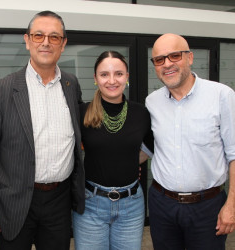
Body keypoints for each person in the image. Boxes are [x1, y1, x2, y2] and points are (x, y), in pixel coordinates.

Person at [0, 10, 85, 250]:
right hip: (14, 202)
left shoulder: (71, 84)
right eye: (38, 35)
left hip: (59, 200)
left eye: (54, 37)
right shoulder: (1, 90)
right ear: (27, 41)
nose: (46, 42)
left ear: (63, 44)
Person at [146, 33, 235, 250]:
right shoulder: (152, 102)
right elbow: (149, 147)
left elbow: (234, 154)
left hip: (208, 207)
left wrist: (231, 205)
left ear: (190, 57)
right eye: (159, 59)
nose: (167, 64)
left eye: (174, 56)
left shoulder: (222, 96)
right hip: (162, 204)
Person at [72, 51, 153, 250]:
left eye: (118, 74)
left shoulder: (140, 113)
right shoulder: (82, 112)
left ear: (127, 77)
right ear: (95, 79)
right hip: (91, 203)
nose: (112, 80)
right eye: (104, 74)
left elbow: (151, 147)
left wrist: (129, 163)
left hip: (131, 204)